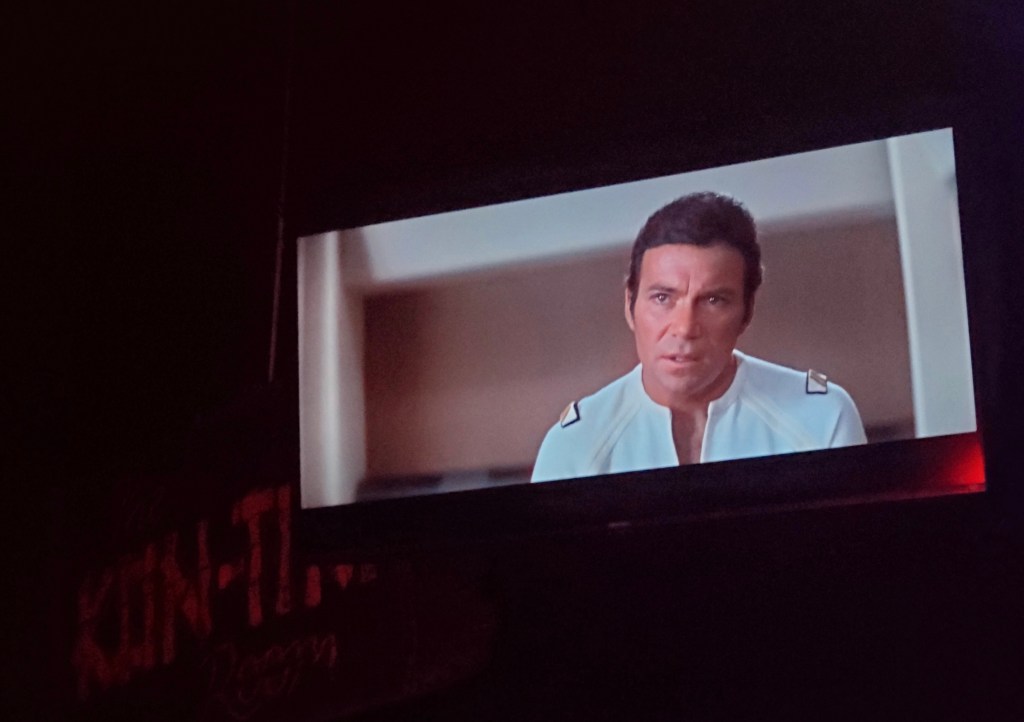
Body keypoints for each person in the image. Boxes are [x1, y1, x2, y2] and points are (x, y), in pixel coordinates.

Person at [531, 192, 866, 483]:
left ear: (747, 312)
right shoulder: (575, 446)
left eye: (713, 300)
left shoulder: (820, 417)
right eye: (662, 298)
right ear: (630, 306)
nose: (685, 327)